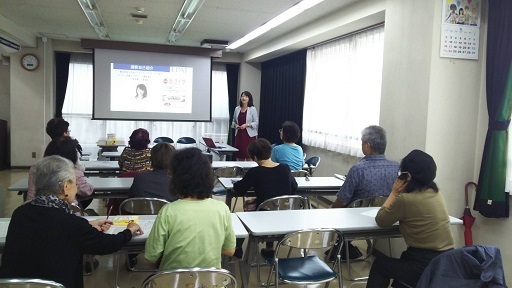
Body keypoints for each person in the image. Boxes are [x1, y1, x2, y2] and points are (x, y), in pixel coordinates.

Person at [0, 156, 142, 288]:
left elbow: (51, 231)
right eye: (74, 182)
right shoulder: (72, 224)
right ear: (66, 187)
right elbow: (107, 244)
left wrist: (87, 225)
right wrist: (129, 230)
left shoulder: (20, 213)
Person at [367, 150, 454, 288]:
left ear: (407, 176)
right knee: (405, 258)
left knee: (380, 266)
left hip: (424, 263)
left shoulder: (406, 200)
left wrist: (394, 192)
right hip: (446, 261)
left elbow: (381, 220)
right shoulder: (437, 193)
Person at [144, 148, 236, 269]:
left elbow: (151, 257)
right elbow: (230, 251)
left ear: (175, 179)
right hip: (211, 281)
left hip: (174, 280)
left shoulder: (168, 211)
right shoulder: (222, 208)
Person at [330, 125, 399, 260]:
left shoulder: (358, 169)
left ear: (367, 146)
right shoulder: (396, 167)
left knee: (334, 210)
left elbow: (343, 199)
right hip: (386, 217)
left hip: (356, 220)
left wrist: (330, 209)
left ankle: (341, 249)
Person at [233, 138, 298, 258]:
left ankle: (237, 248)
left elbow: (239, 189)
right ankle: (269, 248)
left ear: (254, 158)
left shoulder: (255, 172)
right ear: (271, 153)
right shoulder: (285, 168)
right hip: (285, 214)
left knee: (241, 215)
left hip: (263, 215)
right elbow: (294, 187)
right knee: (269, 205)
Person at [27, 136, 94, 209]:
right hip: (66, 211)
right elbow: (87, 191)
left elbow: (31, 193)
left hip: (34, 208)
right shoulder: (73, 172)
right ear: (72, 155)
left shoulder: (35, 168)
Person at [231, 91, 259, 161]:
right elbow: (233, 122)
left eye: (246, 97)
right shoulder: (237, 109)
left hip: (249, 136)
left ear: (249, 99)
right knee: (239, 155)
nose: (244, 98)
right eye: (242, 96)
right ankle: (240, 171)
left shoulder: (252, 109)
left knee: (249, 155)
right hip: (239, 135)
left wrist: (247, 125)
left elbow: (256, 123)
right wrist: (235, 125)